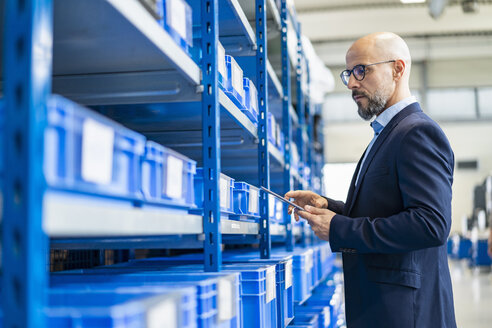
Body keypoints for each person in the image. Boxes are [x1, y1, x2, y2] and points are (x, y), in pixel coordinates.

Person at [286, 32, 456, 328]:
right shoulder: (387, 134)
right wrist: (329, 207)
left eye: (362, 70)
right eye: (349, 73)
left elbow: (431, 224)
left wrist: (339, 227)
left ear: (397, 69)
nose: (352, 83)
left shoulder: (416, 132)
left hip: (405, 313)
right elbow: (386, 209)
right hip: (385, 307)